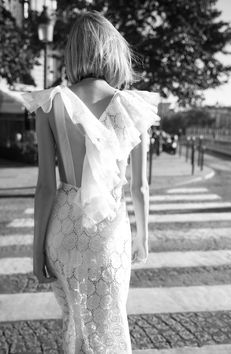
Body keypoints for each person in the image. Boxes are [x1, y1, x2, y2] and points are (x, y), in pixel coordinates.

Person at [21, 10, 159, 354]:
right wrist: (144, 237)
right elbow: (140, 187)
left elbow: (45, 187)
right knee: (108, 326)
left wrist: (36, 250)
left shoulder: (51, 103)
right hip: (109, 233)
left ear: (73, 53)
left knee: (75, 322)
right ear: (113, 50)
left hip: (63, 230)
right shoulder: (134, 106)